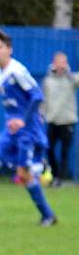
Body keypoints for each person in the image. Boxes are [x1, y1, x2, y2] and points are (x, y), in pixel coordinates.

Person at [0, 29, 57, 226]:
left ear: (9, 49)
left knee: (25, 176)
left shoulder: (17, 71)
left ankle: (48, 215)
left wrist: (23, 119)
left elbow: (37, 95)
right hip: (10, 130)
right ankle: (22, 166)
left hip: (27, 132)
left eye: (0, 47)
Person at [42, 51, 79, 186]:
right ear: (54, 63)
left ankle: (60, 180)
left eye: (64, 62)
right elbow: (43, 100)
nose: (62, 65)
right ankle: (55, 174)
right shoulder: (48, 80)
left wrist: (68, 73)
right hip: (52, 120)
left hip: (68, 121)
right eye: (60, 62)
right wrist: (41, 114)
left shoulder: (71, 79)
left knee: (64, 151)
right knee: (49, 149)